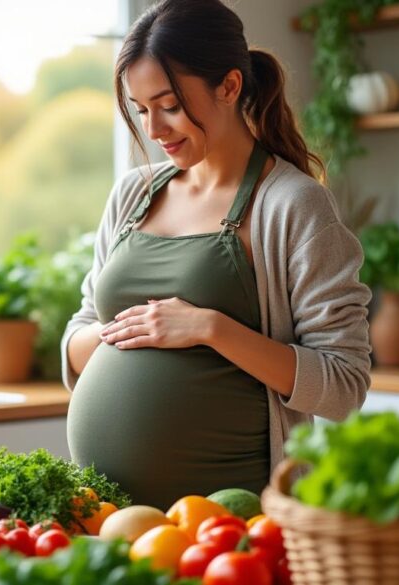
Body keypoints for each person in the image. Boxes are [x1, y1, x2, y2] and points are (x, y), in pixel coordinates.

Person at [60, 0, 372, 510]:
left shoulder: (292, 204)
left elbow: (344, 384)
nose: (153, 129)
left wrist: (208, 328)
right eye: (141, 109)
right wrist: (124, 331)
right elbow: (78, 337)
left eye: (169, 105)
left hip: (232, 523)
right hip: (107, 515)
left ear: (228, 87)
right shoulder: (133, 195)